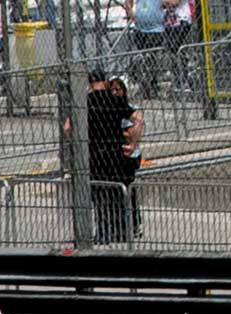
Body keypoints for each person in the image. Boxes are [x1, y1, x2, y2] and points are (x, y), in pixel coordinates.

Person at [83, 68, 131, 244]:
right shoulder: (114, 99)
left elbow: (67, 127)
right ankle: (121, 231)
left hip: (95, 154)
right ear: (104, 82)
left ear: (90, 83)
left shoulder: (85, 102)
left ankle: (103, 233)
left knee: (99, 194)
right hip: (115, 153)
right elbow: (138, 119)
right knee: (117, 192)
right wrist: (133, 144)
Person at [110, 75, 144, 238]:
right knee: (116, 192)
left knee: (128, 190)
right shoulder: (110, 110)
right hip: (115, 156)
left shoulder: (128, 108)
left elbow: (131, 133)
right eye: (112, 90)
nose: (115, 93)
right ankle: (120, 226)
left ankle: (135, 224)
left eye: (118, 89)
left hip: (129, 156)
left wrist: (117, 133)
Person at [123, 0, 165, 96]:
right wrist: (131, 13)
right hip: (140, 29)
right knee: (142, 58)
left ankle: (153, 84)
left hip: (156, 30)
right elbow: (128, 2)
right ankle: (143, 85)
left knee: (153, 59)